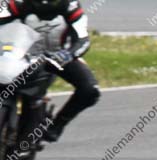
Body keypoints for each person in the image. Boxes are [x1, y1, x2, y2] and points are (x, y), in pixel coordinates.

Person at [0, 0, 100, 142]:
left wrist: (67, 54)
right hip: (21, 55)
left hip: (58, 57)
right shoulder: (17, 3)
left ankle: (56, 126)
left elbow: (83, 40)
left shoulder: (71, 6)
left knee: (90, 90)